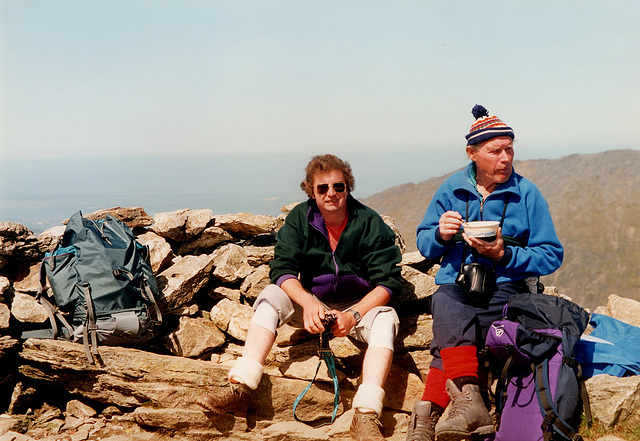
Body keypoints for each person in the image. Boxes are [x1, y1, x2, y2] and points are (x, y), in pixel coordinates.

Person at [197, 154, 403, 441]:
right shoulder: (299, 219)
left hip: (357, 307)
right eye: (322, 188)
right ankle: (240, 389)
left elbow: (389, 281)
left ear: (348, 187)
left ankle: (366, 416)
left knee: (386, 320)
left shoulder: (368, 222)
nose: (331, 193)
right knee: (270, 296)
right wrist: (308, 303)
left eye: (339, 186)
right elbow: (282, 270)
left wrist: (353, 315)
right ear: (311, 190)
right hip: (310, 303)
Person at [406, 105, 564, 441]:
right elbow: (424, 240)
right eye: (495, 151)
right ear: (472, 153)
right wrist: (440, 235)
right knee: (446, 299)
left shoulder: (527, 194)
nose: (505, 158)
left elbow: (551, 255)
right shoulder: (451, 188)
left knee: (452, 332)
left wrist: (505, 254)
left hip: (506, 287)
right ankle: (471, 402)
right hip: (458, 284)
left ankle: (427, 416)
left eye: (509, 149)